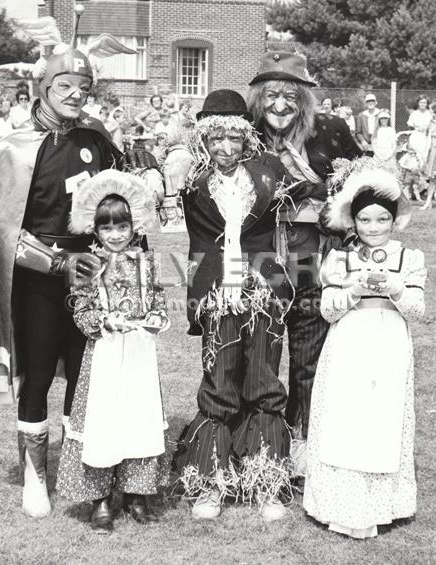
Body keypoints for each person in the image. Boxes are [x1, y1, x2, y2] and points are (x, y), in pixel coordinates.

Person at [0, 12, 139, 519]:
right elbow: (3, 229)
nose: (76, 94)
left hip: (91, 277)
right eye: (66, 85)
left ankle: (80, 469)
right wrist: (58, 264)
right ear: (45, 86)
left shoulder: (94, 139)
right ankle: (36, 473)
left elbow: (124, 190)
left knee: (84, 372)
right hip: (37, 281)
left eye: (83, 86)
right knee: (37, 375)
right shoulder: (15, 147)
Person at [169, 90, 292, 522]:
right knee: (219, 383)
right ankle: (211, 481)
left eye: (234, 139)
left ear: (247, 140)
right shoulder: (188, 179)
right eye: (216, 138)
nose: (225, 147)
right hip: (215, 289)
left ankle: (266, 481)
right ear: (204, 138)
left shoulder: (270, 172)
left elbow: (317, 187)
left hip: (263, 286)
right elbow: (145, 199)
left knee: (263, 381)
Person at [246, 51, 362, 472]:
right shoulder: (244, 133)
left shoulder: (330, 130)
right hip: (260, 265)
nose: (280, 104)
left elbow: (360, 187)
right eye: (272, 95)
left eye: (290, 96)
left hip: (315, 262)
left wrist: (335, 212)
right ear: (259, 98)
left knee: (307, 362)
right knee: (260, 359)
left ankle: (302, 452)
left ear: (305, 100)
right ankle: (259, 446)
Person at [304, 159, 425, 539]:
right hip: (349, 344)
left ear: (394, 220)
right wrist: (353, 291)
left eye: (382, 220)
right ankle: (338, 505)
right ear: (353, 222)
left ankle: (382, 505)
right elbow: (327, 311)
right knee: (347, 419)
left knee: (381, 421)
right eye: (366, 220)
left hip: (388, 342)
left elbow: (418, 312)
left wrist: (395, 288)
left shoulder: (410, 258)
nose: (374, 228)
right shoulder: (339, 259)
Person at [56, 170, 168, 533]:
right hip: (104, 354)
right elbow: (81, 309)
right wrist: (105, 322)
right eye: (107, 229)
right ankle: (100, 497)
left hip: (138, 353)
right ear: (95, 230)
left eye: (122, 227)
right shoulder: (86, 265)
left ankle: (136, 494)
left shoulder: (146, 262)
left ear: (134, 226)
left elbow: (158, 299)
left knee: (138, 415)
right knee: (105, 419)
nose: (116, 235)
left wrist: (155, 316)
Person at [407, 95, 432, 164]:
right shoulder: (414, 114)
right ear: (418, 103)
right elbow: (410, 126)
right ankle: (416, 171)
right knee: (416, 155)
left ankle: (425, 171)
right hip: (416, 136)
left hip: (427, 136)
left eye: (424, 102)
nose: (422, 104)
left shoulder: (430, 114)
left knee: (425, 155)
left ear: (427, 104)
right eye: (421, 102)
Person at [422, 100, 436, 209]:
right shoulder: (430, 123)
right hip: (433, 151)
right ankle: (428, 202)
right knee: (432, 178)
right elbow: (427, 139)